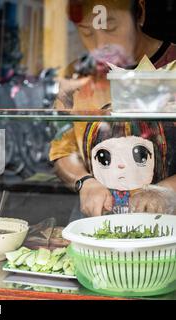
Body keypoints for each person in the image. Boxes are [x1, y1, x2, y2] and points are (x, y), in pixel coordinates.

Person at [49, 0, 176, 217]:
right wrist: (84, 182)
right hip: (97, 221)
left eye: (111, 28)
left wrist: (168, 190)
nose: (100, 44)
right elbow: (62, 150)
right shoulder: (78, 76)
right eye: (87, 31)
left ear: (141, 12)